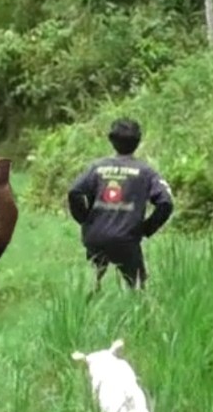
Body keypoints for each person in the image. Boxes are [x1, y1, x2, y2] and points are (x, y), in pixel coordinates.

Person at [67, 118, 174, 293]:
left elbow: (74, 192)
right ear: (138, 141)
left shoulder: (97, 167)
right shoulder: (146, 172)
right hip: (126, 239)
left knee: (92, 283)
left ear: (111, 140)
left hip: (95, 237)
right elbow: (166, 202)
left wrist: (85, 220)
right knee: (138, 288)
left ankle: (85, 309)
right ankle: (139, 315)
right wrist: (146, 228)